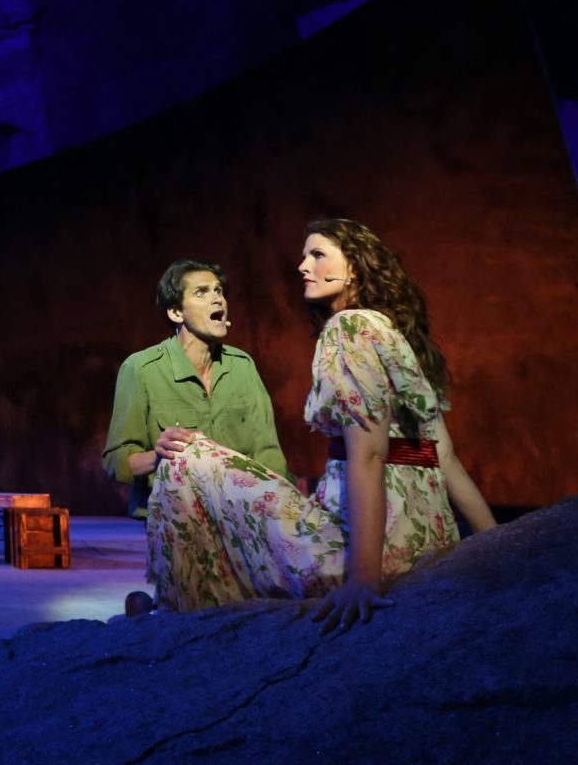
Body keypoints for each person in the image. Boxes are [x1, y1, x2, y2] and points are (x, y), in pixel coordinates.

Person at [140, 220, 496, 629]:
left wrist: (364, 580)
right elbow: (444, 457)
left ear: (355, 267)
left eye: (318, 254)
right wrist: (496, 544)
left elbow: (370, 454)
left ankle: (182, 618)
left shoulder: (348, 329)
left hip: (355, 553)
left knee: (187, 454)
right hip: (427, 543)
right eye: (305, 256)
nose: (303, 266)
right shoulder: (391, 331)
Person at [102, 259, 289, 587]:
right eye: (202, 292)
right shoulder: (141, 369)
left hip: (242, 518)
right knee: (199, 602)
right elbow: (115, 461)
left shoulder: (242, 366)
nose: (218, 298)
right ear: (177, 312)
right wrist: (159, 456)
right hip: (177, 521)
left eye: (219, 291)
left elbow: (268, 454)